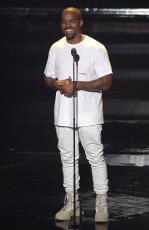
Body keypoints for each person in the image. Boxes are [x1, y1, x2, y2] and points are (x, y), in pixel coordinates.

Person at [43, 6, 112, 223]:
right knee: (67, 158)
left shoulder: (96, 48)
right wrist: (56, 83)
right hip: (63, 115)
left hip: (89, 115)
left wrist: (78, 85)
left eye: (72, 21)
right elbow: (47, 77)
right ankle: (72, 202)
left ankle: (101, 202)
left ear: (81, 23)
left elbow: (107, 82)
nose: (67, 25)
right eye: (64, 21)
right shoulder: (56, 47)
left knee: (95, 157)